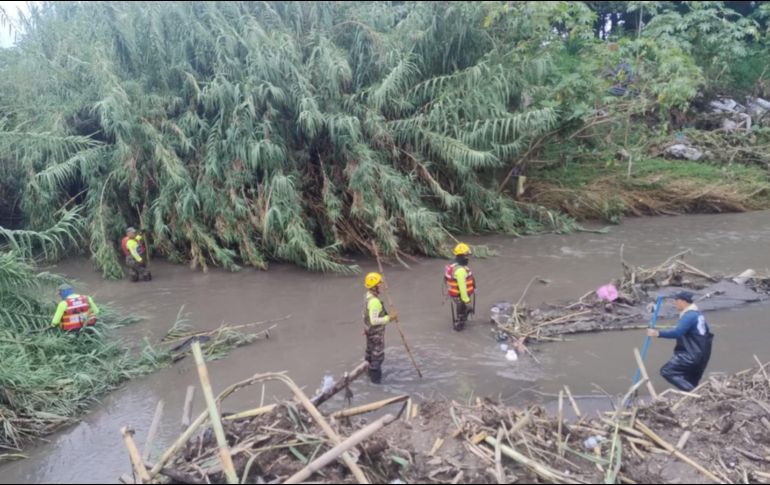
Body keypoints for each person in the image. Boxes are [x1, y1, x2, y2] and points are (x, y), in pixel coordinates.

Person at [647, 291, 714, 392]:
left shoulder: (689, 316)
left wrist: (657, 333)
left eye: (676, 301)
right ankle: (695, 397)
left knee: (667, 371)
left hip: (691, 354)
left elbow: (678, 332)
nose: (675, 303)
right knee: (690, 381)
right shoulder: (698, 314)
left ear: (683, 301)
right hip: (703, 355)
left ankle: (697, 394)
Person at [363, 272, 397, 383]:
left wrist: (365, 327)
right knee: (377, 358)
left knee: (369, 354)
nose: (382, 286)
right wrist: (389, 318)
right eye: (379, 284)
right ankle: (376, 383)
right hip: (376, 334)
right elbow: (374, 321)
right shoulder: (375, 302)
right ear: (374, 287)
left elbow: (365, 315)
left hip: (369, 332)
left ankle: (368, 375)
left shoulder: (367, 297)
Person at [445, 243, 475, 331]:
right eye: (466, 256)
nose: (468, 258)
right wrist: (466, 300)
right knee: (463, 308)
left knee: (461, 307)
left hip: (454, 294)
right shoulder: (461, 270)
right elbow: (462, 287)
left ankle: (463, 316)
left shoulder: (452, 266)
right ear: (461, 256)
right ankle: (460, 322)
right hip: (460, 295)